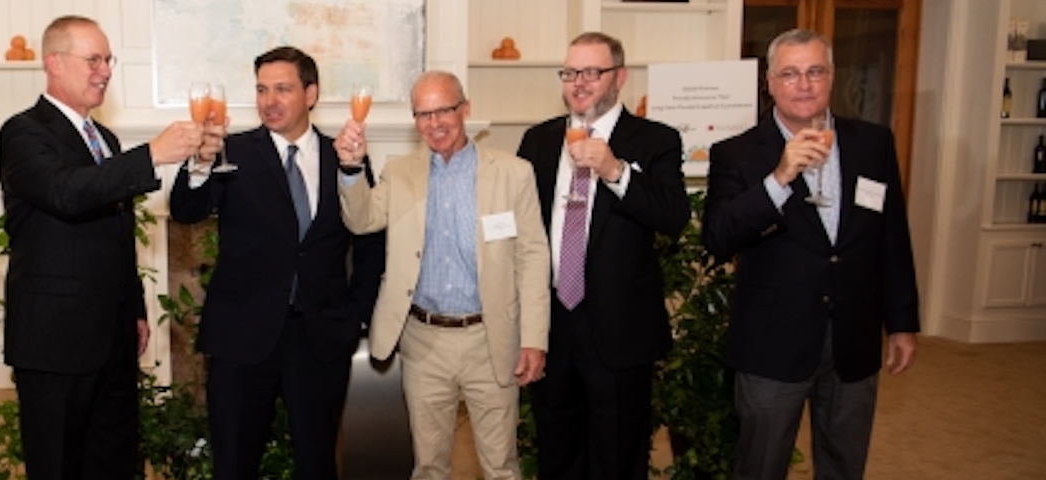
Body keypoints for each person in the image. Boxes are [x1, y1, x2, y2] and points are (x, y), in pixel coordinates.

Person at [703, 28, 920, 480]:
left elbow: (891, 237)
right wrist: (779, 178)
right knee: (760, 467)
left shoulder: (872, 143)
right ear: (770, 81)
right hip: (772, 344)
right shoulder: (738, 153)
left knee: (845, 465)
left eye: (814, 72)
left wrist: (901, 322)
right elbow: (718, 238)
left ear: (832, 76)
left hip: (853, 338)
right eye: (790, 74)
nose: (803, 84)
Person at [0, 15, 205, 480]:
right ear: (54, 63)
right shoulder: (23, 132)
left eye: (108, 59)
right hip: (53, 343)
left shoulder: (104, 139)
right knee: (58, 465)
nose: (105, 70)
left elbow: (116, 231)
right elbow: (64, 193)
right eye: (93, 59)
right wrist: (151, 155)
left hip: (112, 338)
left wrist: (134, 310)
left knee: (114, 460)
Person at [169, 45, 387, 480]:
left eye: (283, 89)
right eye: (262, 89)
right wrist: (199, 164)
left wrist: (356, 316)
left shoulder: (343, 156)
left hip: (320, 338)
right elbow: (186, 209)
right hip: (241, 337)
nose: (270, 100)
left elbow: (369, 241)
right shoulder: (230, 152)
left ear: (311, 93)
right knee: (233, 464)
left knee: (318, 462)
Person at [335, 70, 549, 480]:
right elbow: (361, 220)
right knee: (429, 466)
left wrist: (534, 338)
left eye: (444, 111)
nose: (434, 124)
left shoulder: (513, 173)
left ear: (465, 109)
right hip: (424, 341)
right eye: (423, 114)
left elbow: (534, 257)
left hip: (491, 339)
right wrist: (350, 168)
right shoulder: (399, 172)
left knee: (502, 465)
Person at [515, 32, 689, 480]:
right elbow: (520, 230)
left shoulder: (654, 140)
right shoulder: (538, 141)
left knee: (617, 458)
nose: (579, 83)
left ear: (620, 78)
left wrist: (615, 171)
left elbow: (673, 216)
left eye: (592, 72)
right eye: (570, 73)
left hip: (619, 332)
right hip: (552, 327)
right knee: (557, 454)